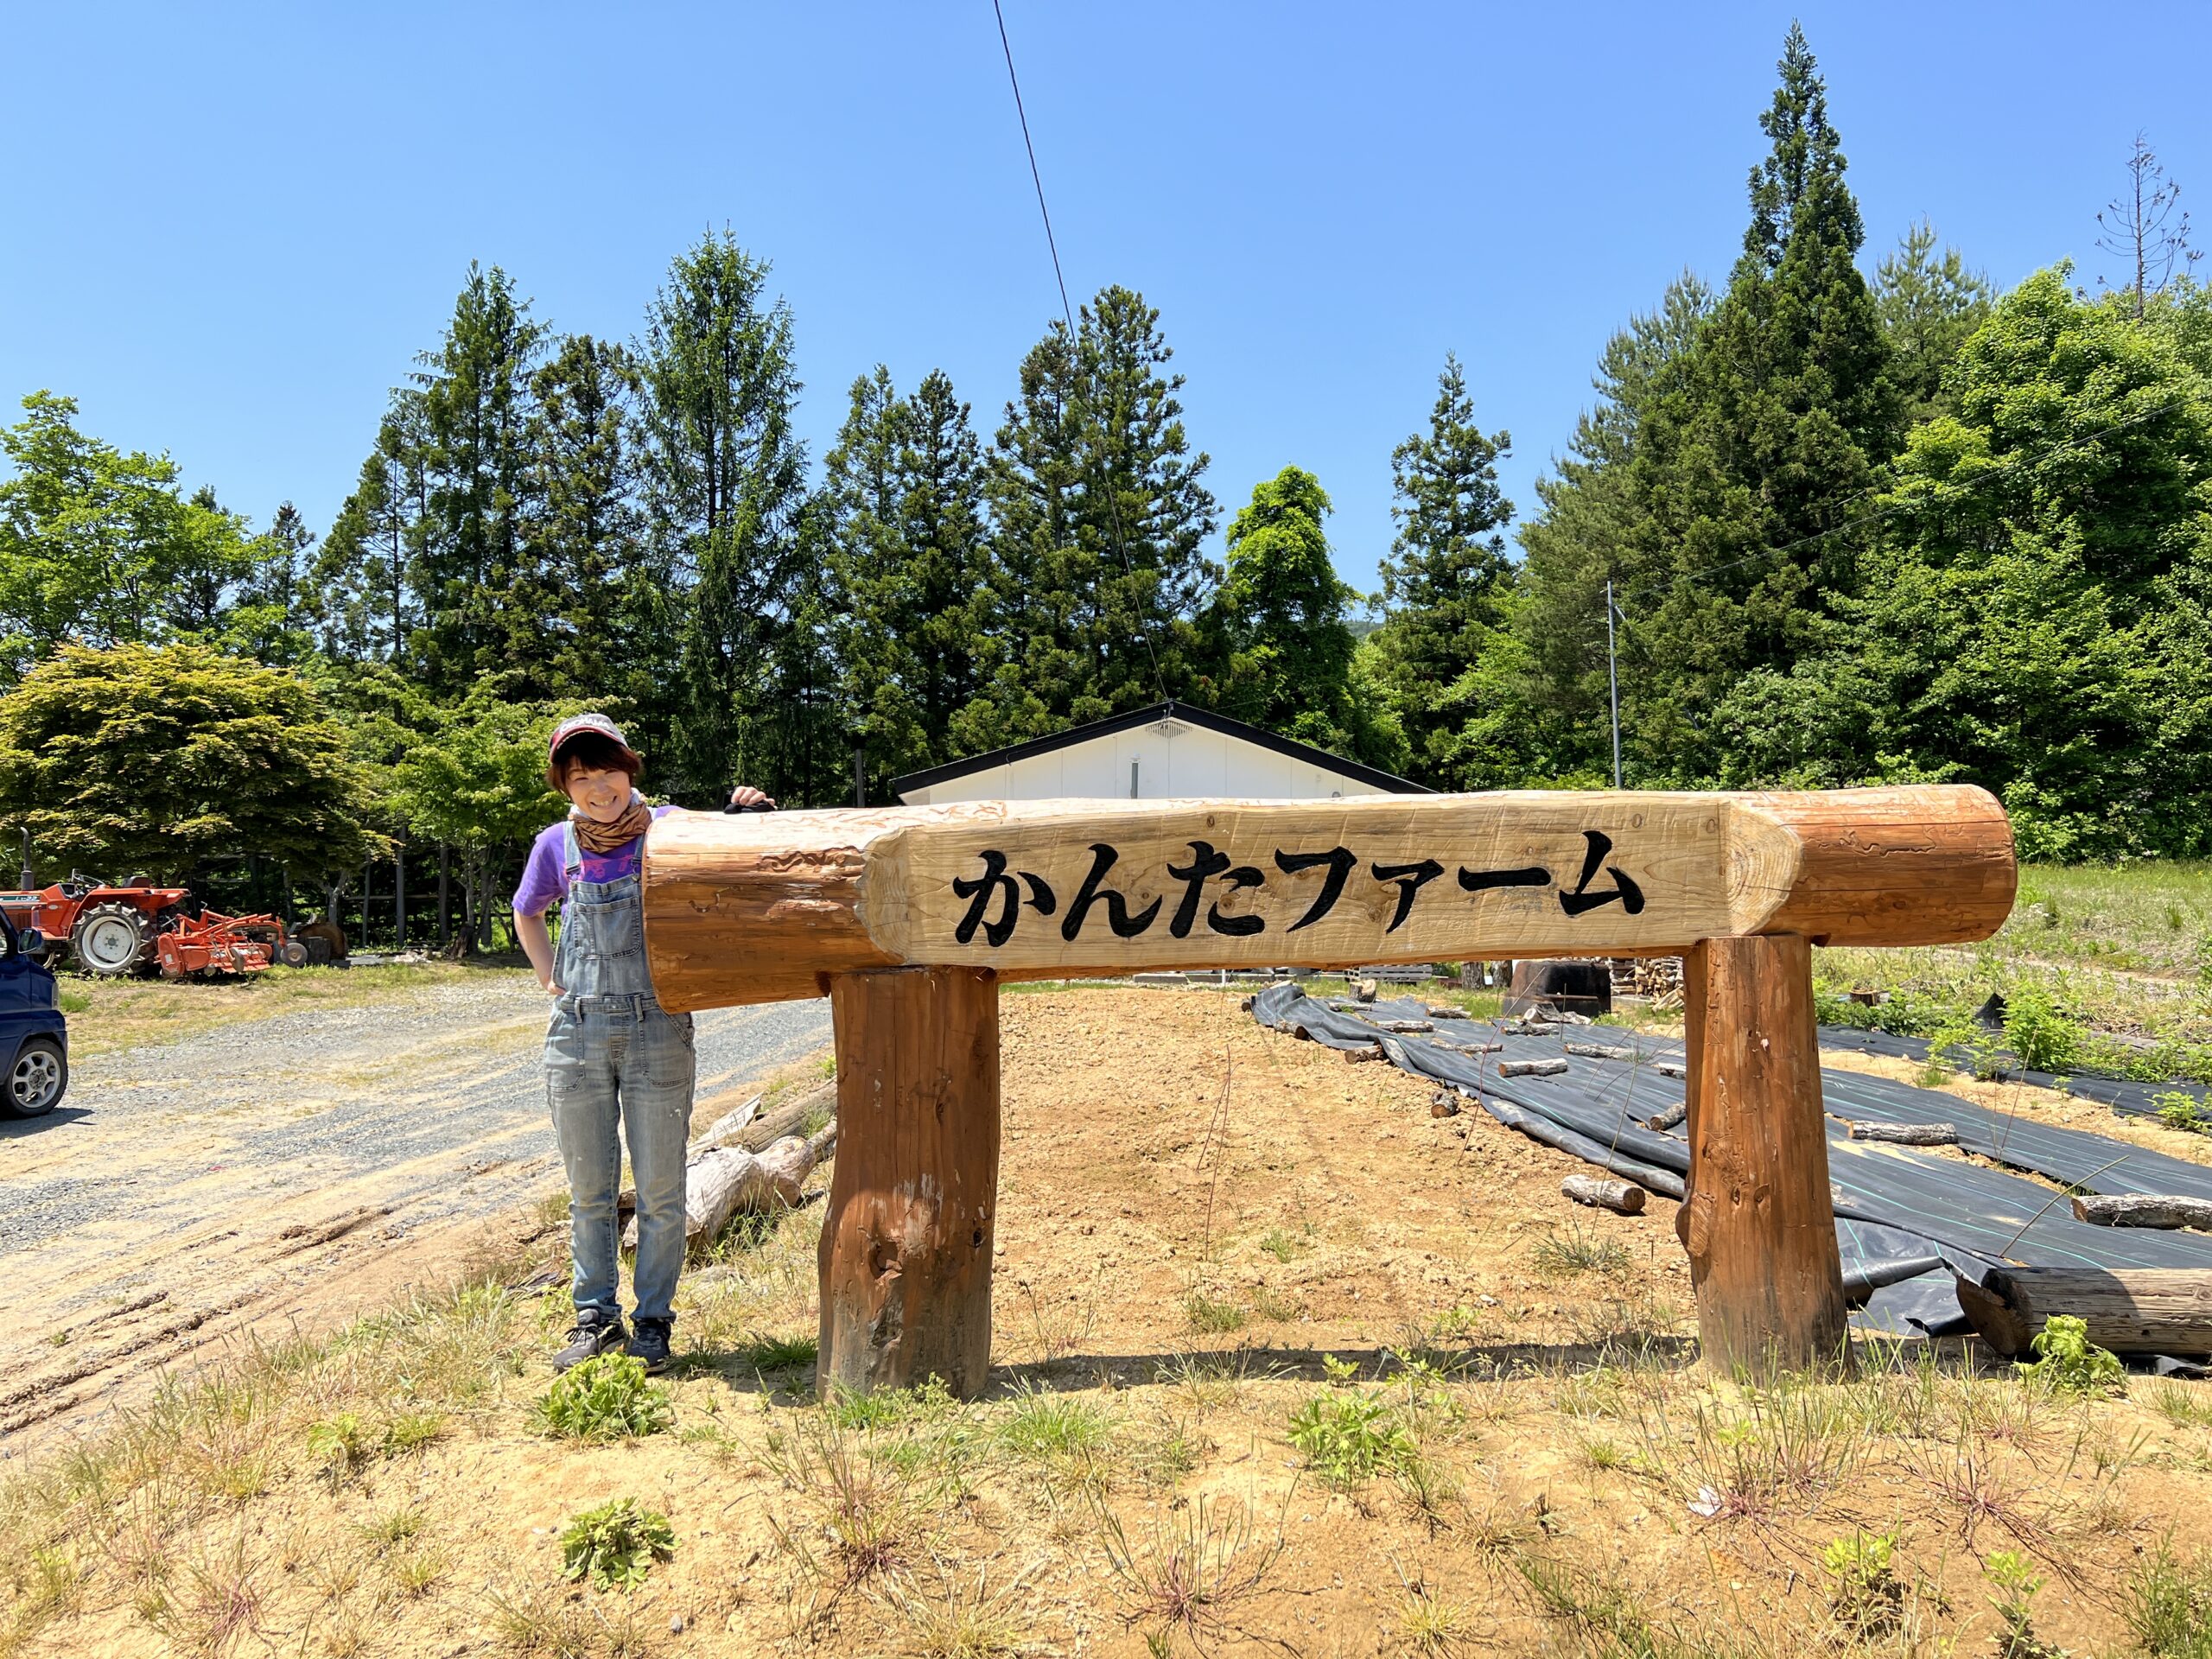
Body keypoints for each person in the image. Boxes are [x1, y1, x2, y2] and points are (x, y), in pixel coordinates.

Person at [512, 713, 770, 1373]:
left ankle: (653, 1321)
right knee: (589, 1190)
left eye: (607, 772)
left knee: (661, 1188)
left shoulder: (671, 825)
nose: (598, 789)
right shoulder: (555, 845)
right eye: (581, 778)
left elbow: (737, 857)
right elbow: (527, 910)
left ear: (629, 770)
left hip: (659, 1026)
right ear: (564, 787)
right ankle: (595, 1318)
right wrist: (549, 977)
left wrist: (752, 814)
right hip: (578, 1032)